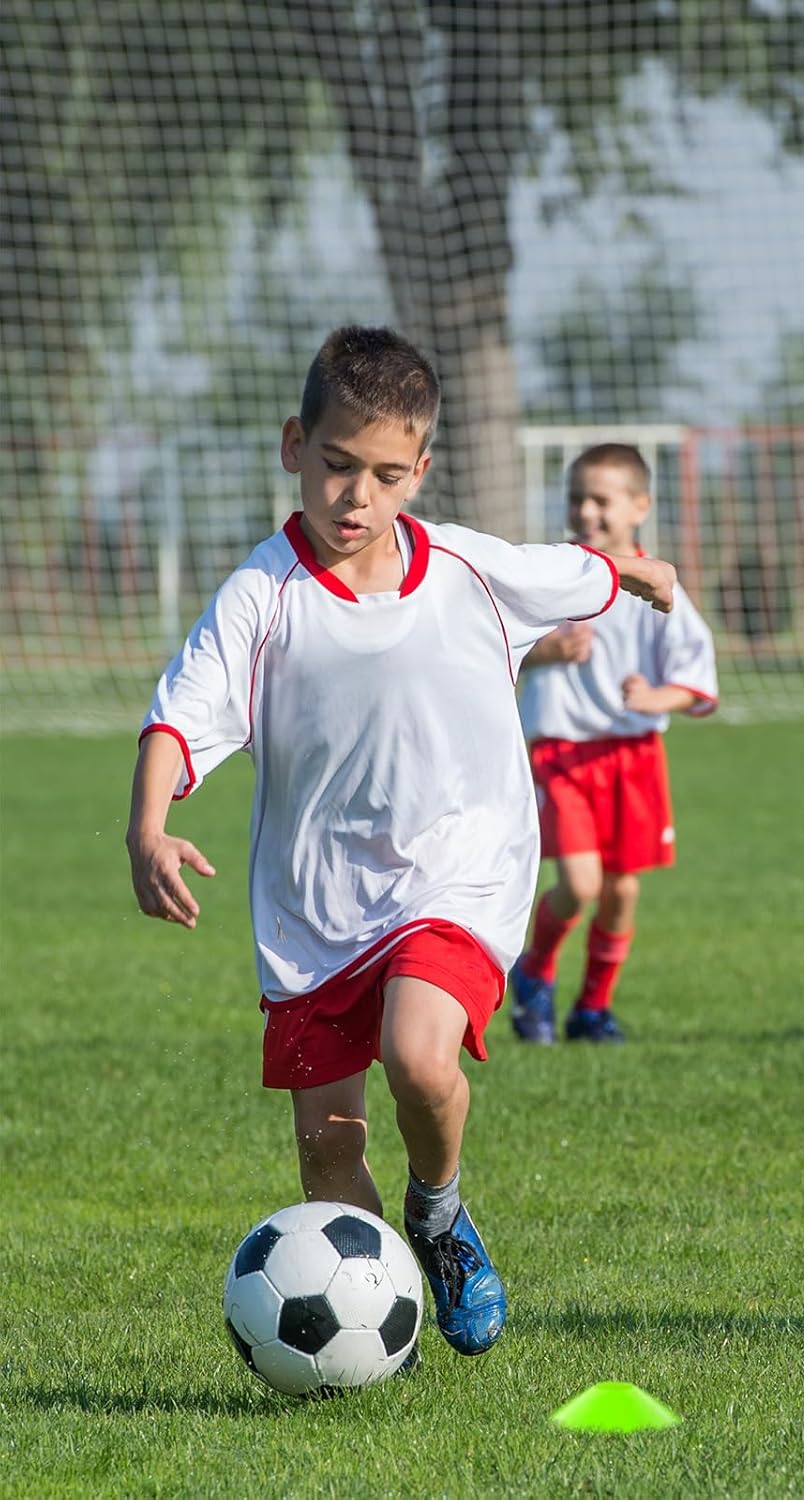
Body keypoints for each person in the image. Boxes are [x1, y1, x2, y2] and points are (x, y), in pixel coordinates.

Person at [125, 328, 677, 1357]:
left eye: (385, 475)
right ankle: (380, 1324)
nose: (356, 497)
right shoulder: (264, 594)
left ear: (419, 472)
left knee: (420, 1059)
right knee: (327, 1152)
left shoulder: (469, 567)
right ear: (297, 445)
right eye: (337, 465)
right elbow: (180, 711)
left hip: (458, 875)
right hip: (317, 905)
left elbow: (578, 572)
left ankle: (439, 1214)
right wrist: (148, 825)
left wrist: (636, 572)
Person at [508, 443, 718, 1044]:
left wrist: (660, 697)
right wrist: (546, 651)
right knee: (581, 884)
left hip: (633, 757)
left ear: (639, 507)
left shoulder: (660, 587)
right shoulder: (550, 578)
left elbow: (696, 676)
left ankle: (592, 1009)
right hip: (564, 751)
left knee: (622, 889)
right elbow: (498, 648)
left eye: (602, 500)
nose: (587, 512)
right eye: (578, 499)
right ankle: (535, 970)